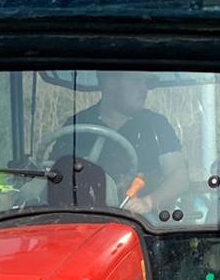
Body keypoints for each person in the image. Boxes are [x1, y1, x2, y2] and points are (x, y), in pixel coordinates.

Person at [67, 72, 188, 214]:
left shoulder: (156, 125)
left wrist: (149, 202)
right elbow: (55, 172)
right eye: (137, 81)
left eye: (146, 83)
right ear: (110, 83)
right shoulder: (76, 125)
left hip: (144, 224)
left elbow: (179, 175)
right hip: (83, 216)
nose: (144, 89)